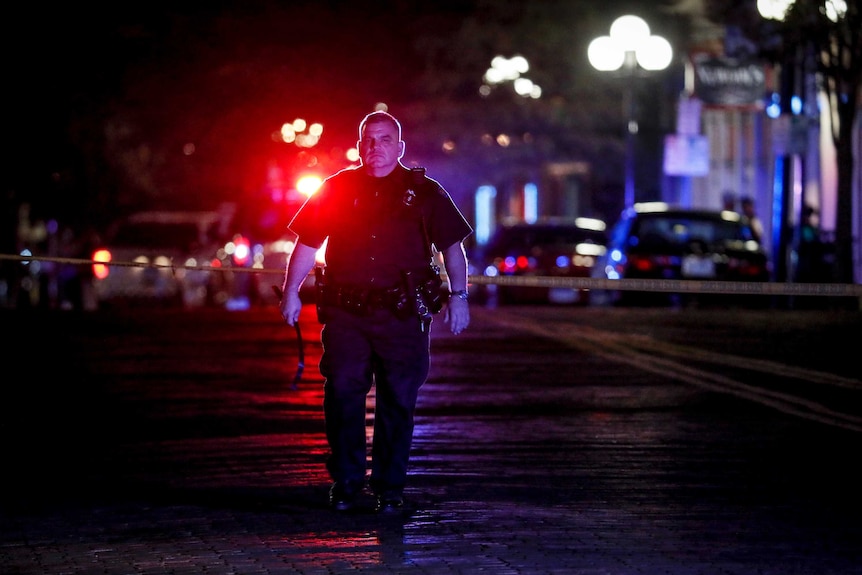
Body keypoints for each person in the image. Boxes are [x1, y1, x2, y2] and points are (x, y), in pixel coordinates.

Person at [279, 110, 473, 513]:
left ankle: (389, 488)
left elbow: (452, 247)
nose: (375, 147)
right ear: (358, 145)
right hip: (347, 314)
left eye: (385, 139)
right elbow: (308, 243)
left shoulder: (425, 192)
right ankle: (348, 482)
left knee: (398, 399)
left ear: (399, 147)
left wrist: (459, 296)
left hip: (402, 316)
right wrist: (290, 293)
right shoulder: (337, 188)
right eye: (369, 139)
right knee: (342, 393)